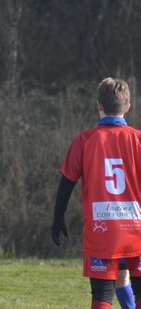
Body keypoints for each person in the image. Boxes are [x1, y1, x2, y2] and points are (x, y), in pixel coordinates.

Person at [51, 77, 141, 309]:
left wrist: (58, 218)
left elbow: (66, 183)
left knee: (102, 297)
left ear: (98, 105)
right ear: (128, 107)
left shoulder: (84, 140)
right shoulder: (138, 139)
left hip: (103, 232)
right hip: (137, 230)